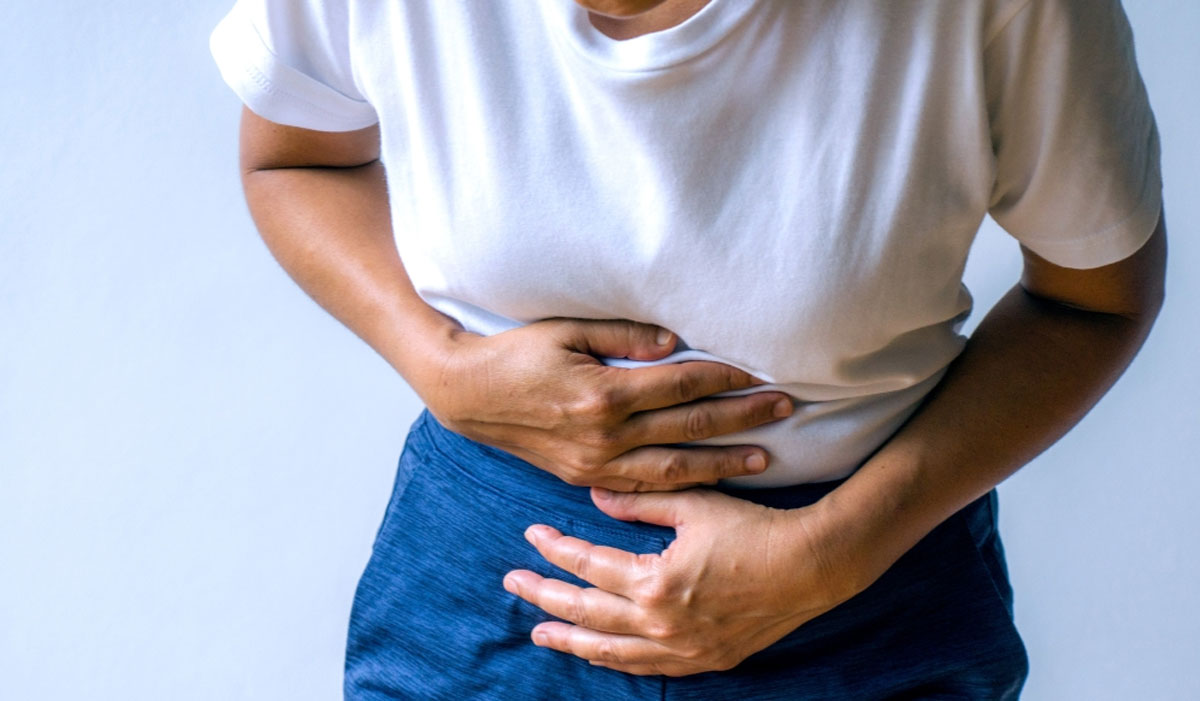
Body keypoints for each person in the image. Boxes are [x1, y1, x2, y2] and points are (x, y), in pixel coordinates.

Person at [211, 0, 1166, 697]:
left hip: (864, 606)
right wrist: (438, 363)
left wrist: (831, 554)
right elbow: (294, 154)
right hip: (485, 581)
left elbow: (1091, 300)